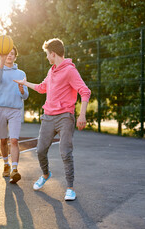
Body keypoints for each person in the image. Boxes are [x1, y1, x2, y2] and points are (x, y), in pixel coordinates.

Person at [14, 38, 91, 200]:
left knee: (65, 152)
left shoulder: (70, 71)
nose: (47, 58)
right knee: (40, 150)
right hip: (48, 117)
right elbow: (42, 88)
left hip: (65, 117)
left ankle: (70, 188)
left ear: (53, 54)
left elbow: (85, 91)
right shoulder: (52, 71)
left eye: (47, 55)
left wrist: (82, 115)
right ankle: (45, 174)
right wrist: (25, 83)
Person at [0, 46, 29, 183]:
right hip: (0, 109)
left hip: (15, 110)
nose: (9, 56)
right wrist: (1, 62)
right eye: (7, 54)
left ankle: (15, 169)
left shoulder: (21, 73)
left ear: (15, 56)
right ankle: (6, 163)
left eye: (12, 54)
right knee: (2, 140)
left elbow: (25, 96)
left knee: (14, 140)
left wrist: (22, 90)